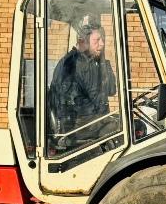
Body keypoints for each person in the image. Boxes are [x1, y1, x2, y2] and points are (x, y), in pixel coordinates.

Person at [48, 16, 118, 151]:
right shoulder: (74, 64)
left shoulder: (92, 62)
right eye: (97, 40)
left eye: (103, 40)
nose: (102, 44)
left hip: (91, 120)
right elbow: (73, 105)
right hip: (77, 127)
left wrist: (104, 63)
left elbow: (111, 90)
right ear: (83, 42)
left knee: (128, 125)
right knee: (123, 129)